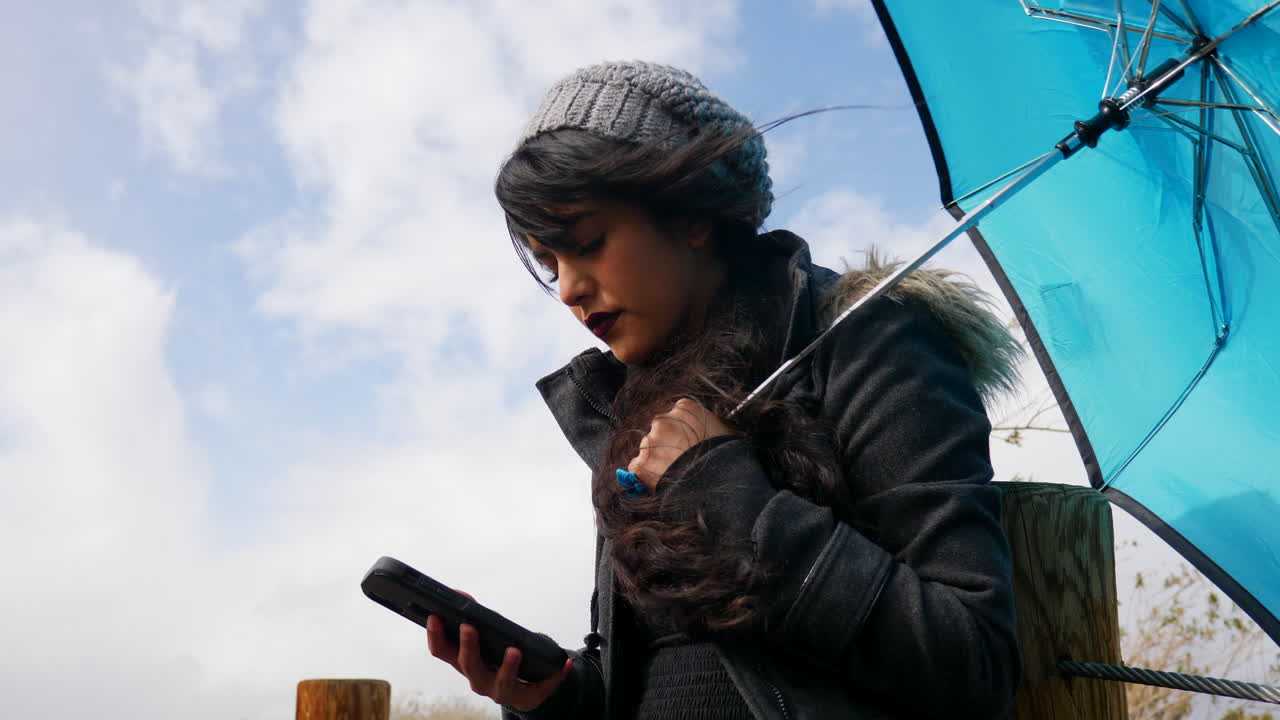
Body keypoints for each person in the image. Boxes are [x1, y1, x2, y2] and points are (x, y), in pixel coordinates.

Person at [425, 60, 1025, 719]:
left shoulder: (869, 344)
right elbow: (672, 672)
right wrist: (560, 697)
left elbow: (974, 663)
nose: (567, 288)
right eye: (549, 263)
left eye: (588, 242)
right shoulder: (632, 416)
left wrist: (734, 502)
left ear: (692, 216)